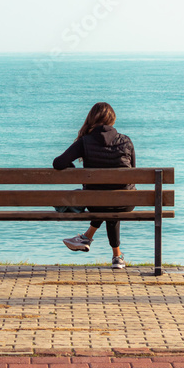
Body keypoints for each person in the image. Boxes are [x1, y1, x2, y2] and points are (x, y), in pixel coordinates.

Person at [53, 102, 136, 269]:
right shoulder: (126, 141)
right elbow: (133, 172)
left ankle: (87, 238)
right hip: (126, 201)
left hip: (96, 202)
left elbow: (58, 162)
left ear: (91, 119)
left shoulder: (85, 142)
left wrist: (72, 168)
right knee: (112, 199)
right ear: (112, 119)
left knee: (104, 199)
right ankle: (116, 256)